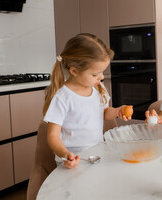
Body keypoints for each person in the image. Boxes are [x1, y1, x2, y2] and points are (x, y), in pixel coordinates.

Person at [43, 33, 131, 169]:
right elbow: (53, 135)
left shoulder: (97, 87)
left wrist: (117, 111)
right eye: (95, 74)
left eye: (102, 72)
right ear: (74, 71)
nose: (101, 77)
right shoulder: (63, 97)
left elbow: (105, 112)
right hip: (73, 160)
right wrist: (65, 154)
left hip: (96, 154)